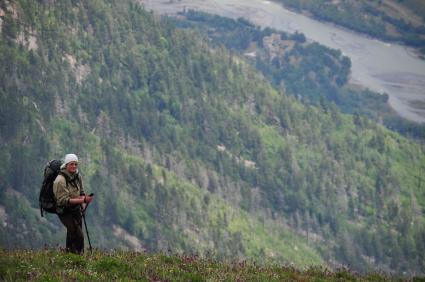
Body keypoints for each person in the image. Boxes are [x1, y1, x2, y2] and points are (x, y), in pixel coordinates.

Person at [53, 153, 93, 254]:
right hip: (64, 210)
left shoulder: (77, 176)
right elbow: (64, 200)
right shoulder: (60, 180)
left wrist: (83, 204)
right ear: (66, 165)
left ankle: (69, 256)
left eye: (75, 164)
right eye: (71, 164)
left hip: (76, 209)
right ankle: (79, 258)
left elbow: (82, 192)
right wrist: (83, 201)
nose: (74, 166)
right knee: (78, 234)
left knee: (71, 233)